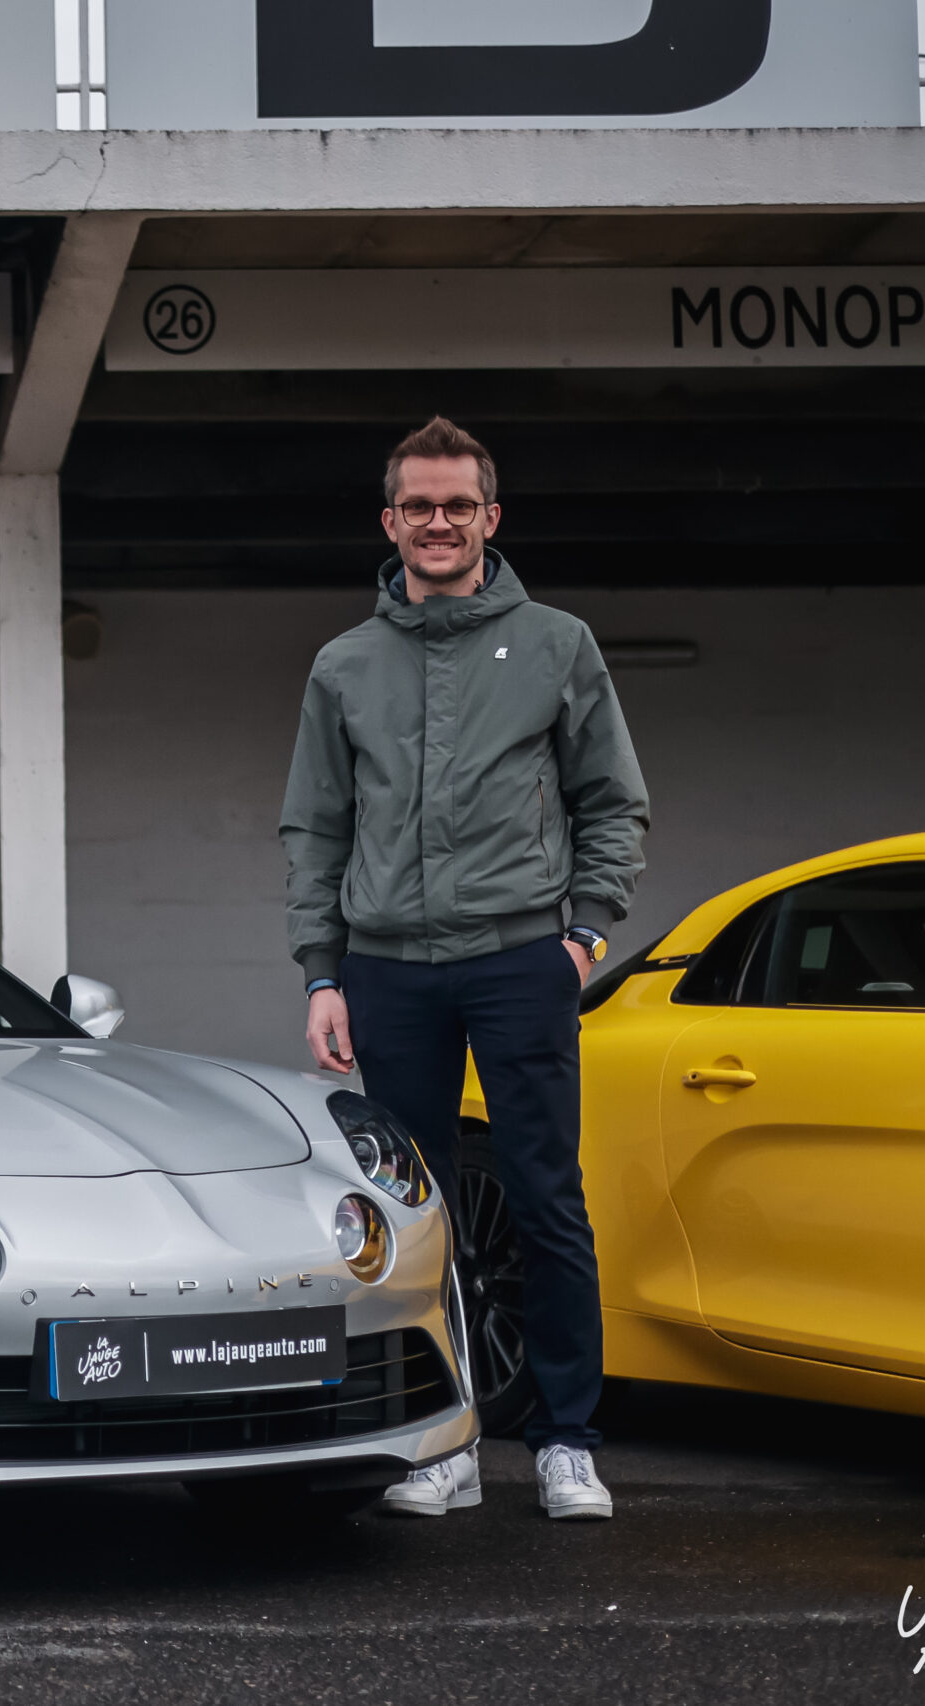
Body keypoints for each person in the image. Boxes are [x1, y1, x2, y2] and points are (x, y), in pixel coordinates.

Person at [278, 417, 649, 1521]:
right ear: (389, 521)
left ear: (490, 516)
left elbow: (611, 801)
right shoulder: (343, 665)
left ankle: (567, 1440)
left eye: (456, 505)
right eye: (418, 506)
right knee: (412, 1215)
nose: (437, 522)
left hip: (519, 962)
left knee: (544, 1196)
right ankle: (444, 1443)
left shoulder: (557, 644)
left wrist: (582, 936)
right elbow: (315, 828)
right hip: (387, 973)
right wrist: (322, 974)